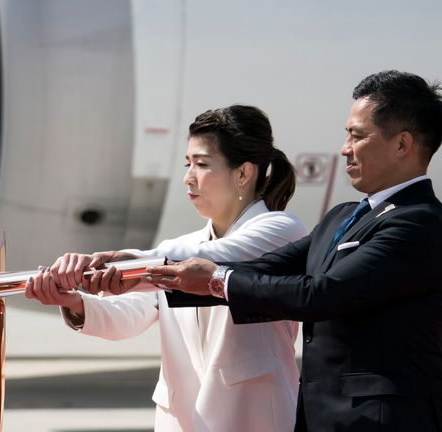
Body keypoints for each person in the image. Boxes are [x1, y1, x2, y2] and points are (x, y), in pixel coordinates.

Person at [149, 71, 442, 431]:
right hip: (323, 416)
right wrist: (152, 272)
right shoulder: (344, 216)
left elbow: (323, 294)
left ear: (402, 144)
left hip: (383, 420)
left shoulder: (420, 223)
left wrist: (217, 280)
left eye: (357, 135)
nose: (344, 148)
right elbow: (267, 267)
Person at [26, 105, 307, 431]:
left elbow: (213, 257)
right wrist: (73, 301)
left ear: (243, 173)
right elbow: (129, 316)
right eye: (187, 164)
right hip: (182, 420)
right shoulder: (176, 248)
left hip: (255, 418)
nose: (188, 177)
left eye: (201, 165)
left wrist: (114, 260)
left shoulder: (281, 230)